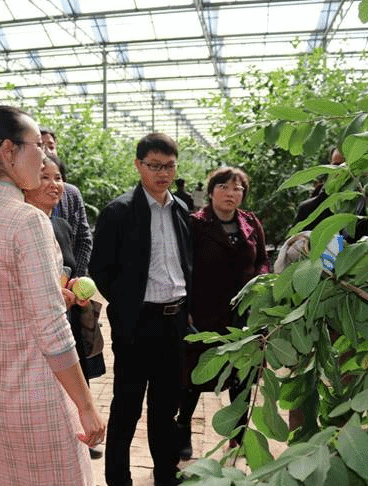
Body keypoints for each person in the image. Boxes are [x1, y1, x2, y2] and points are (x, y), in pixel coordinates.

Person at [0, 104, 105, 486]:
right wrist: (86, 405)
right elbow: (52, 329)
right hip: (38, 391)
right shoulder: (28, 220)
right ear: (7, 151)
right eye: (37, 146)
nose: (45, 157)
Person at [89, 132, 193, 486]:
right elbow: (101, 269)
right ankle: (119, 479)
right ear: (138, 165)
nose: (162, 173)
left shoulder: (180, 209)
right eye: (154, 166)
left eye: (169, 166)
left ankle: (165, 474)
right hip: (138, 323)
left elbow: (187, 263)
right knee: (127, 406)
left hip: (174, 321)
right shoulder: (119, 212)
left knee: (166, 407)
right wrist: (127, 304)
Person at [175, 167, 269, 459]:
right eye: (224, 187)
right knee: (194, 375)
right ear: (211, 190)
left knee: (242, 376)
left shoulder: (250, 222)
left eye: (238, 189)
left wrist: (259, 285)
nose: (231, 194)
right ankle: (183, 427)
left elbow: (263, 260)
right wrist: (185, 308)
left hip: (243, 314)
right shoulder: (195, 224)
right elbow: (183, 266)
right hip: (205, 311)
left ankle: (237, 436)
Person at [24, 153, 107, 459]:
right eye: (44, 177)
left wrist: (73, 287)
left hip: (65, 322)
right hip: (36, 334)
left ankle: (81, 437)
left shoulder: (60, 225)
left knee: (74, 384)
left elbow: (64, 270)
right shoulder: (23, 227)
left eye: (58, 177)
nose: (54, 184)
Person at [40, 127, 93, 278]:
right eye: (40, 146)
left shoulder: (71, 194)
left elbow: (84, 239)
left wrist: (76, 278)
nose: (47, 151)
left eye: (51, 146)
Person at [294, 146, 345, 230]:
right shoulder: (310, 210)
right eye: (337, 166)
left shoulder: (365, 204)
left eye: (347, 165)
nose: (343, 171)